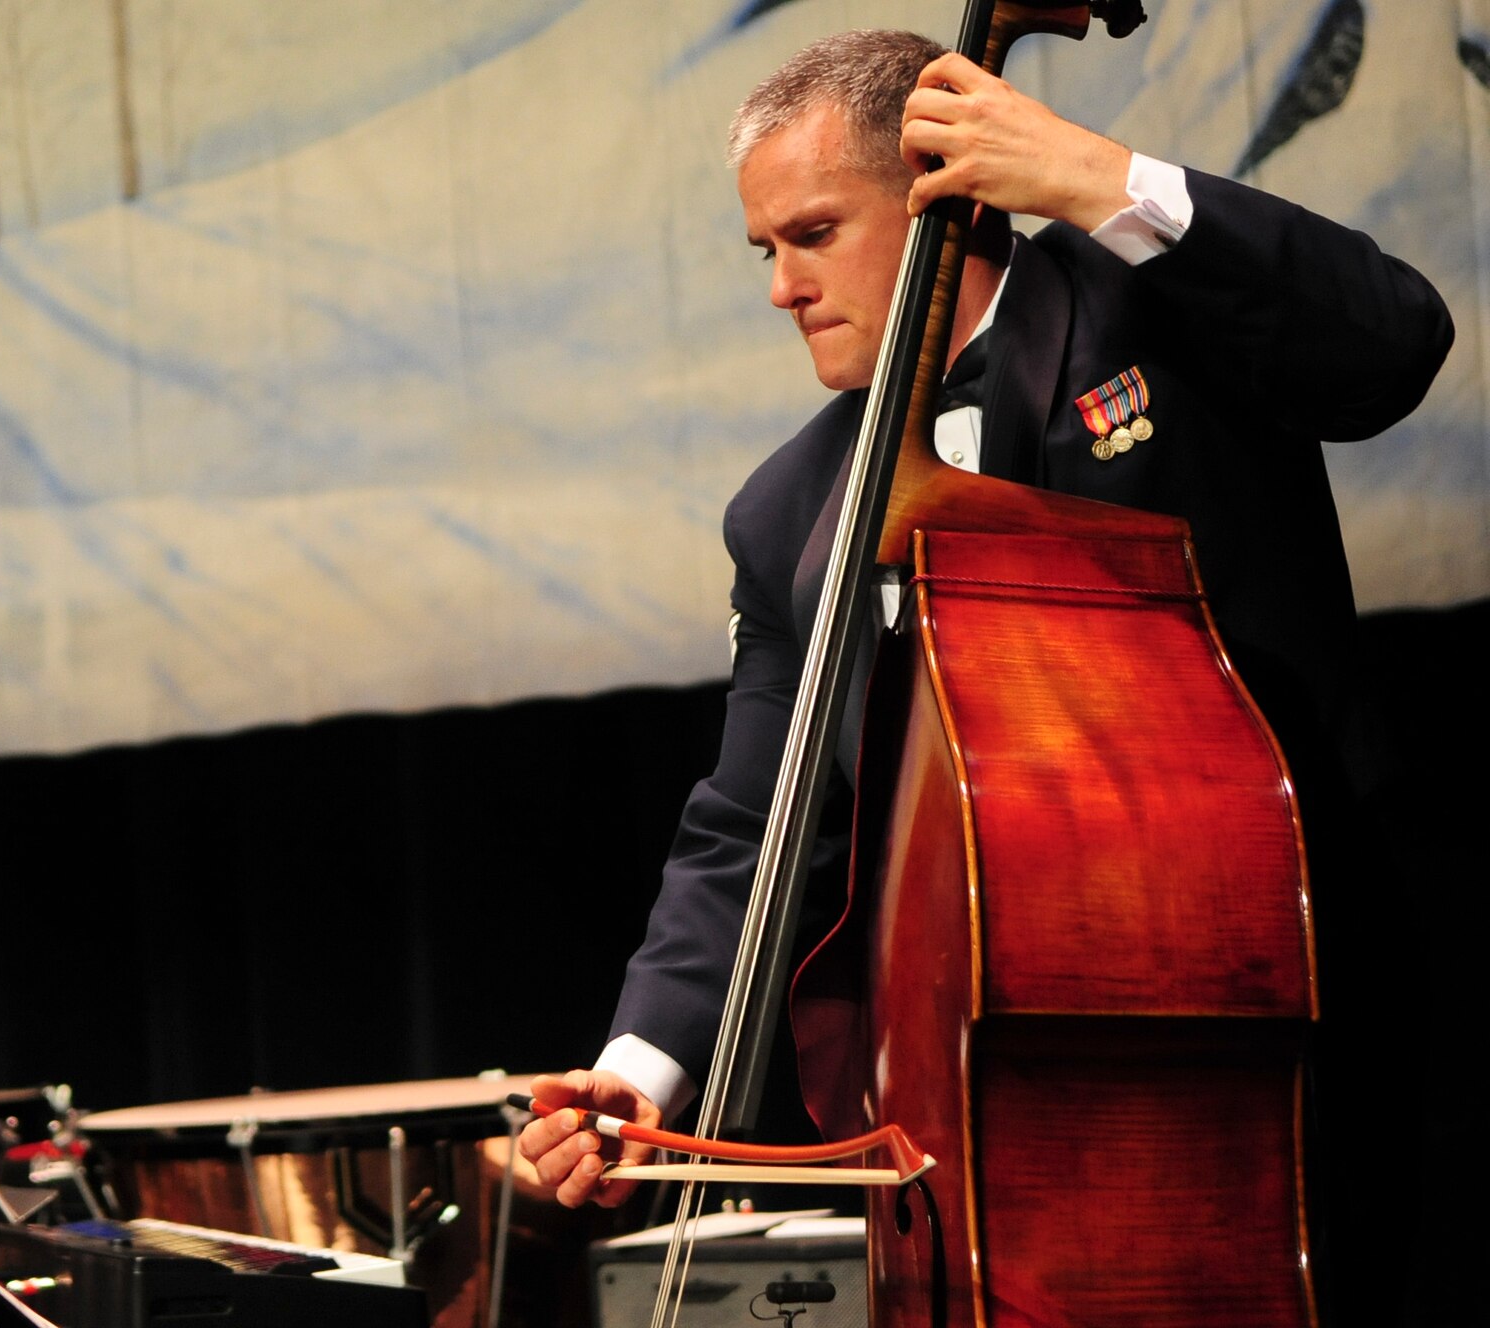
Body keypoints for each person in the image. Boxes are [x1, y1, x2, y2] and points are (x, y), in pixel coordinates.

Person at [517, 25, 1452, 1324]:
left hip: (1293, 1006)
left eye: (815, 233)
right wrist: (639, 1072)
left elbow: (1393, 342)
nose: (781, 286)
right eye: (764, 249)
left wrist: (1097, 176)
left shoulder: (1156, 305)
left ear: (939, 194)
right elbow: (749, 824)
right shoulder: (788, 515)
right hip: (992, 1110)